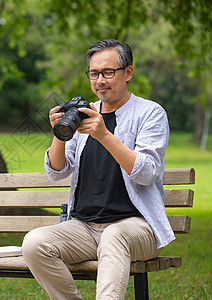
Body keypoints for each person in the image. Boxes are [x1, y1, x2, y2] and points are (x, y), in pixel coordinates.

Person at [22, 39, 173, 300]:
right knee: (35, 243)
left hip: (136, 227)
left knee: (114, 235)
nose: (100, 80)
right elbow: (57, 171)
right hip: (84, 228)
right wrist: (60, 132)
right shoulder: (83, 113)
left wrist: (104, 135)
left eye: (108, 72)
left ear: (128, 73)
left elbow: (147, 172)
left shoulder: (150, 113)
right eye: (94, 73)